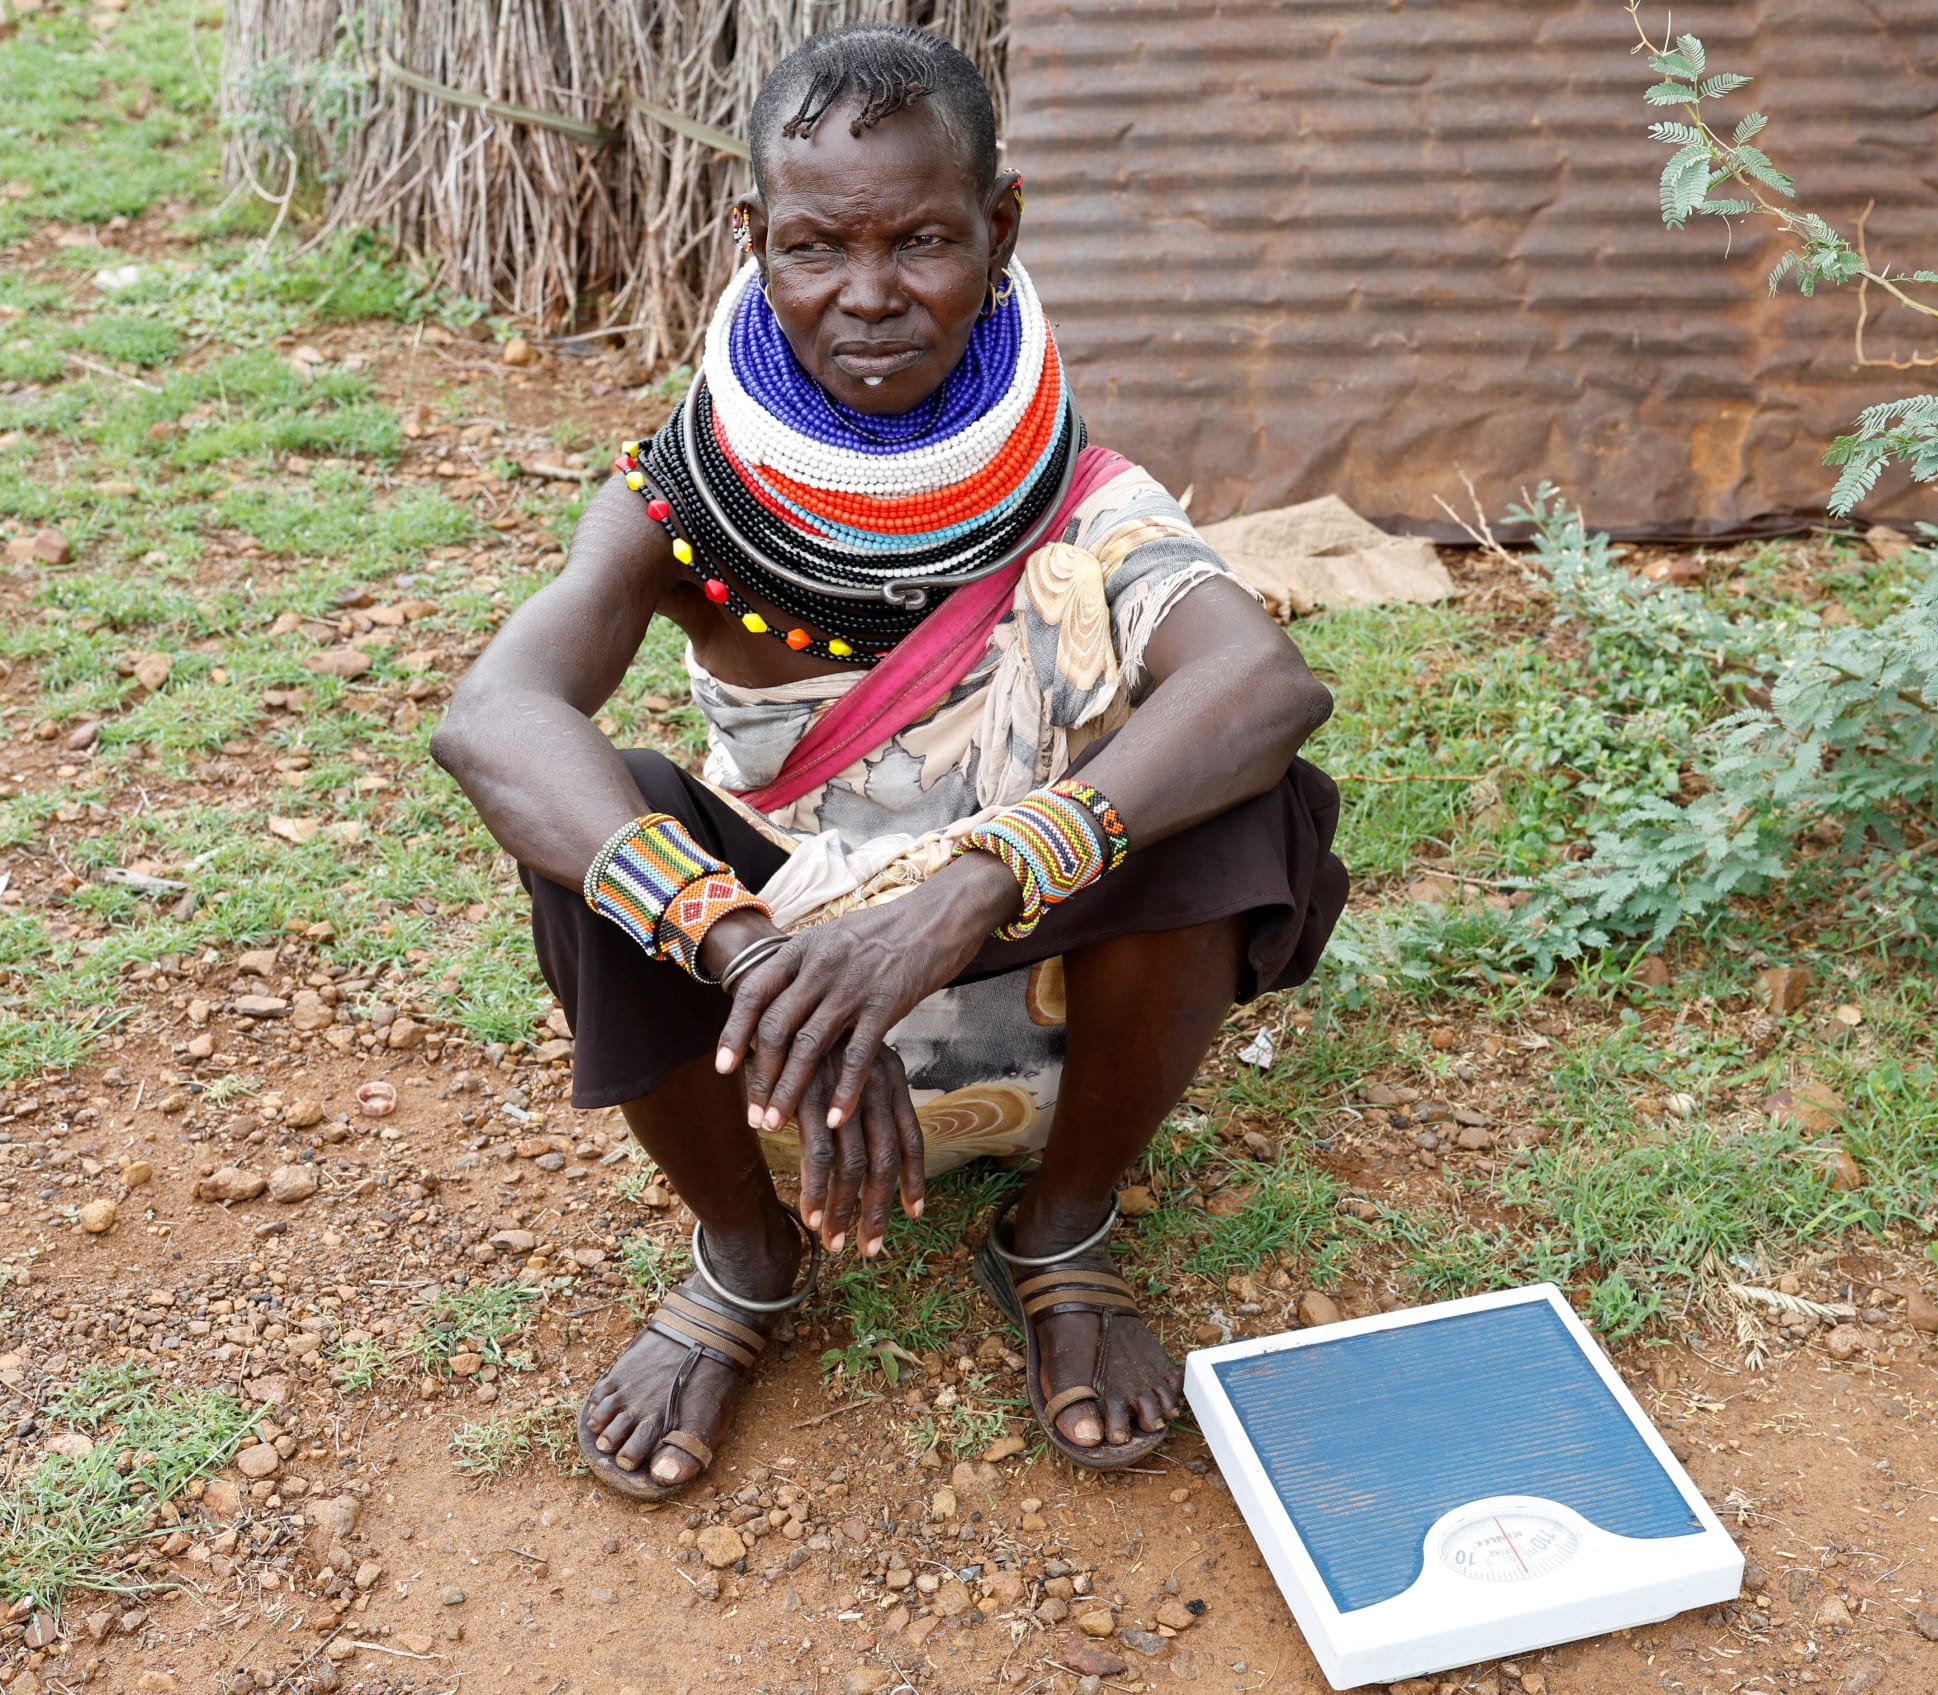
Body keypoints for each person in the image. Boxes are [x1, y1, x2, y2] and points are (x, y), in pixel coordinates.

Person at [433, 22, 1346, 1499]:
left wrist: (963, 894)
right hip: (775, 1021)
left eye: (921, 238)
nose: (866, 295)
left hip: (1042, 976)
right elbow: (494, 715)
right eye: (813, 248)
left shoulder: (1072, 489)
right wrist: (746, 950)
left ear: (1003, 227)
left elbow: (1261, 684)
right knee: (605, 841)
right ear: (753, 243)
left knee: (1235, 794)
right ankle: (746, 1251)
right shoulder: (685, 499)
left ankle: (1062, 1226)